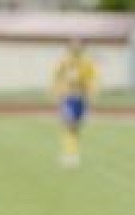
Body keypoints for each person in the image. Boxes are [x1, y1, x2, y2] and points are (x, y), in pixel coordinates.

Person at [51, 38, 98, 168]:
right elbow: (56, 76)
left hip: (81, 98)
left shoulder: (87, 63)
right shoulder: (64, 62)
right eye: (73, 45)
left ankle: (73, 153)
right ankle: (70, 155)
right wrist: (57, 93)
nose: (76, 48)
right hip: (68, 97)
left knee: (76, 128)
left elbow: (92, 79)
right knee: (69, 124)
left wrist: (90, 94)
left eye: (78, 46)